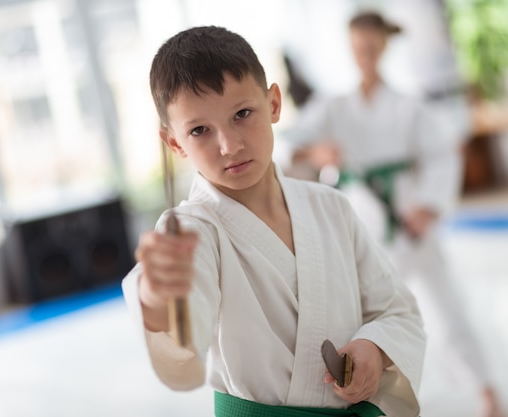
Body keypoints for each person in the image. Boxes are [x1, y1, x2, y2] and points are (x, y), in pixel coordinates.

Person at [121, 25, 426, 417]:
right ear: (175, 143)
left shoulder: (330, 207)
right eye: (200, 130)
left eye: (242, 114)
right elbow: (182, 339)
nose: (230, 146)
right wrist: (156, 293)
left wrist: (376, 349)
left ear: (275, 104)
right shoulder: (190, 231)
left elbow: (396, 310)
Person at [280, 11, 505, 417]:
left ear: (383, 47)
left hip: (408, 217)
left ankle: (484, 389)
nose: (364, 55)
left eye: (370, 46)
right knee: (366, 321)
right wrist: (318, 152)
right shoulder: (334, 106)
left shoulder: (407, 106)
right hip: (363, 222)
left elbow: (441, 158)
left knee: (446, 308)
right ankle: (375, 401)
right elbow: (285, 144)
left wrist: (428, 206)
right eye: (357, 48)